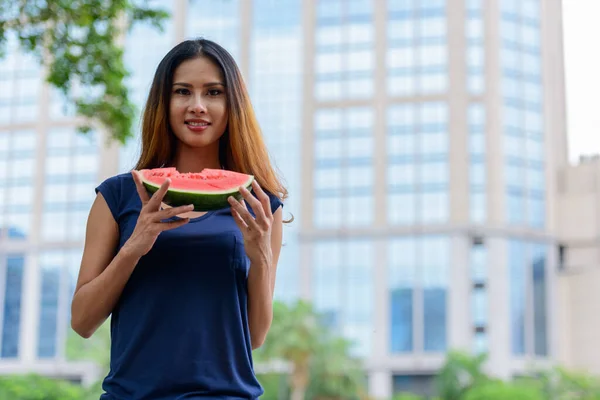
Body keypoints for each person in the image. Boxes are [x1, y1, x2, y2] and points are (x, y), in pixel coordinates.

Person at [70, 38, 289, 399]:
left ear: (232, 104)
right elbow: (82, 322)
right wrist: (132, 249)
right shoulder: (117, 196)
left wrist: (260, 256)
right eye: (182, 91)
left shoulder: (261, 206)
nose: (198, 106)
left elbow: (256, 336)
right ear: (164, 102)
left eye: (214, 92)